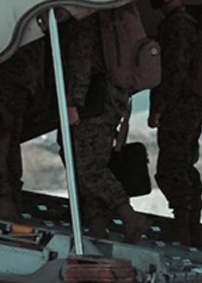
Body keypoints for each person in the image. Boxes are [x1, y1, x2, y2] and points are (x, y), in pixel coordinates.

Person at [64, 12, 149, 244]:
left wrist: (73, 102)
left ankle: (129, 217)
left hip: (93, 102)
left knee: (89, 168)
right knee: (92, 162)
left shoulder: (87, 21)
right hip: (111, 99)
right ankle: (97, 225)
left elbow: (80, 62)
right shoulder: (112, 21)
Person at [148, 0, 202, 247]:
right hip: (189, 105)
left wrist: (160, 106)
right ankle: (191, 226)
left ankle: (184, 227)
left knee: (171, 168)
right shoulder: (186, 23)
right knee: (182, 165)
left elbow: (174, 70)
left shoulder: (178, 26)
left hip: (179, 106)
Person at [0, 39, 48, 220]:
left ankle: (2, 198)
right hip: (23, 84)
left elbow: (0, 47)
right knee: (10, 144)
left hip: (4, 81)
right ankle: (12, 198)